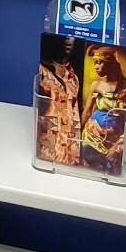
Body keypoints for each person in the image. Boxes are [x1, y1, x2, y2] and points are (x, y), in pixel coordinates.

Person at [80, 45, 126, 177]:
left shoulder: (125, 86)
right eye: (95, 63)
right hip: (90, 137)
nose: (96, 67)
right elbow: (87, 111)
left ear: (111, 63)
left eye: (100, 62)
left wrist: (119, 146)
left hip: (112, 142)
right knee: (87, 169)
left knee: (111, 171)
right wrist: (77, 133)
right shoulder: (96, 85)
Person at [36, 35, 81, 166]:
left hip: (70, 158)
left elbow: (74, 118)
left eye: (72, 36)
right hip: (45, 155)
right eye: (64, 35)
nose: (68, 39)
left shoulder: (73, 77)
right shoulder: (42, 71)